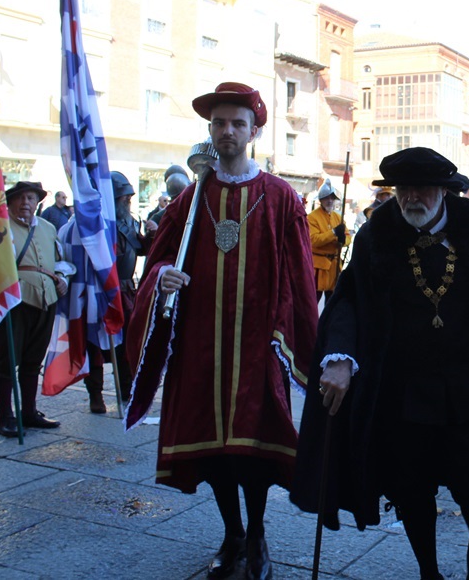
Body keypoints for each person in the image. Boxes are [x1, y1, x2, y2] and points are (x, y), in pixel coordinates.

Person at [291, 147, 469, 580]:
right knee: (410, 487)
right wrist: (339, 359)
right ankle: (428, 570)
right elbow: (348, 301)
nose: (412, 197)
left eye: (422, 188)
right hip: (404, 388)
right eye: (403, 188)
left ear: (443, 191)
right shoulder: (378, 233)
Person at [124, 82, 318, 580]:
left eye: (236, 123)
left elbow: (299, 275)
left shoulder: (279, 198)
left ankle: (256, 538)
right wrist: (161, 276)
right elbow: (159, 259)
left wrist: (296, 340)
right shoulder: (192, 198)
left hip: (258, 348)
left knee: (251, 452)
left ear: (254, 132)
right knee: (212, 453)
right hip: (202, 346)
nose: (227, 131)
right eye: (219, 124)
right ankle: (231, 534)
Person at [0, 182, 70, 437]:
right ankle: (4, 417)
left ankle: (29, 412)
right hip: (14, 303)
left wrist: (61, 278)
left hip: (46, 299)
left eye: (31, 197)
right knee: (7, 360)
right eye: (21, 198)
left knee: (33, 360)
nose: (26, 202)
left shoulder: (47, 228)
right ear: (10, 202)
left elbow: (59, 261)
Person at [83, 171, 157, 414]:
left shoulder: (129, 222)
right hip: (102, 290)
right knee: (95, 345)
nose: (128, 201)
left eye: (129, 197)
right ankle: (96, 395)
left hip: (126, 290)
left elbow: (141, 249)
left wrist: (153, 235)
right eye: (124, 198)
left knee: (126, 344)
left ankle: (127, 390)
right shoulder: (97, 226)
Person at [308, 179, 348, 302]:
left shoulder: (338, 217)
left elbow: (348, 237)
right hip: (318, 268)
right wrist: (333, 233)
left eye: (332, 197)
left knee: (332, 303)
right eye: (326, 198)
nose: (330, 200)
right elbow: (313, 240)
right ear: (320, 200)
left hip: (334, 267)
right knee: (313, 302)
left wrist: (343, 240)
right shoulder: (312, 217)